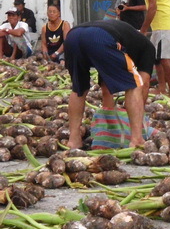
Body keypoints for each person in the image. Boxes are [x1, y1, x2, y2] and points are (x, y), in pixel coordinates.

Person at [64, 20, 156, 150]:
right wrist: (138, 116)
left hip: (73, 37)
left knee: (79, 88)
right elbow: (144, 84)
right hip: (101, 37)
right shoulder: (148, 49)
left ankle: (73, 140)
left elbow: (105, 83)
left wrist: (109, 113)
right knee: (135, 84)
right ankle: (137, 139)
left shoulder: (128, 39)